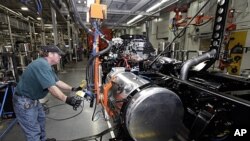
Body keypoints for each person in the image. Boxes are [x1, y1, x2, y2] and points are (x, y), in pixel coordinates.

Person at [12, 45, 82, 141]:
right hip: (24, 101)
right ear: (50, 54)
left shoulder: (47, 65)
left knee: (41, 121)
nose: (60, 57)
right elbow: (52, 88)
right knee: (33, 132)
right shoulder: (42, 65)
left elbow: (57, 82)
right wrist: (67, 99)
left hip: (33, 100)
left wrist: (73, 89)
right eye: (58, 55)